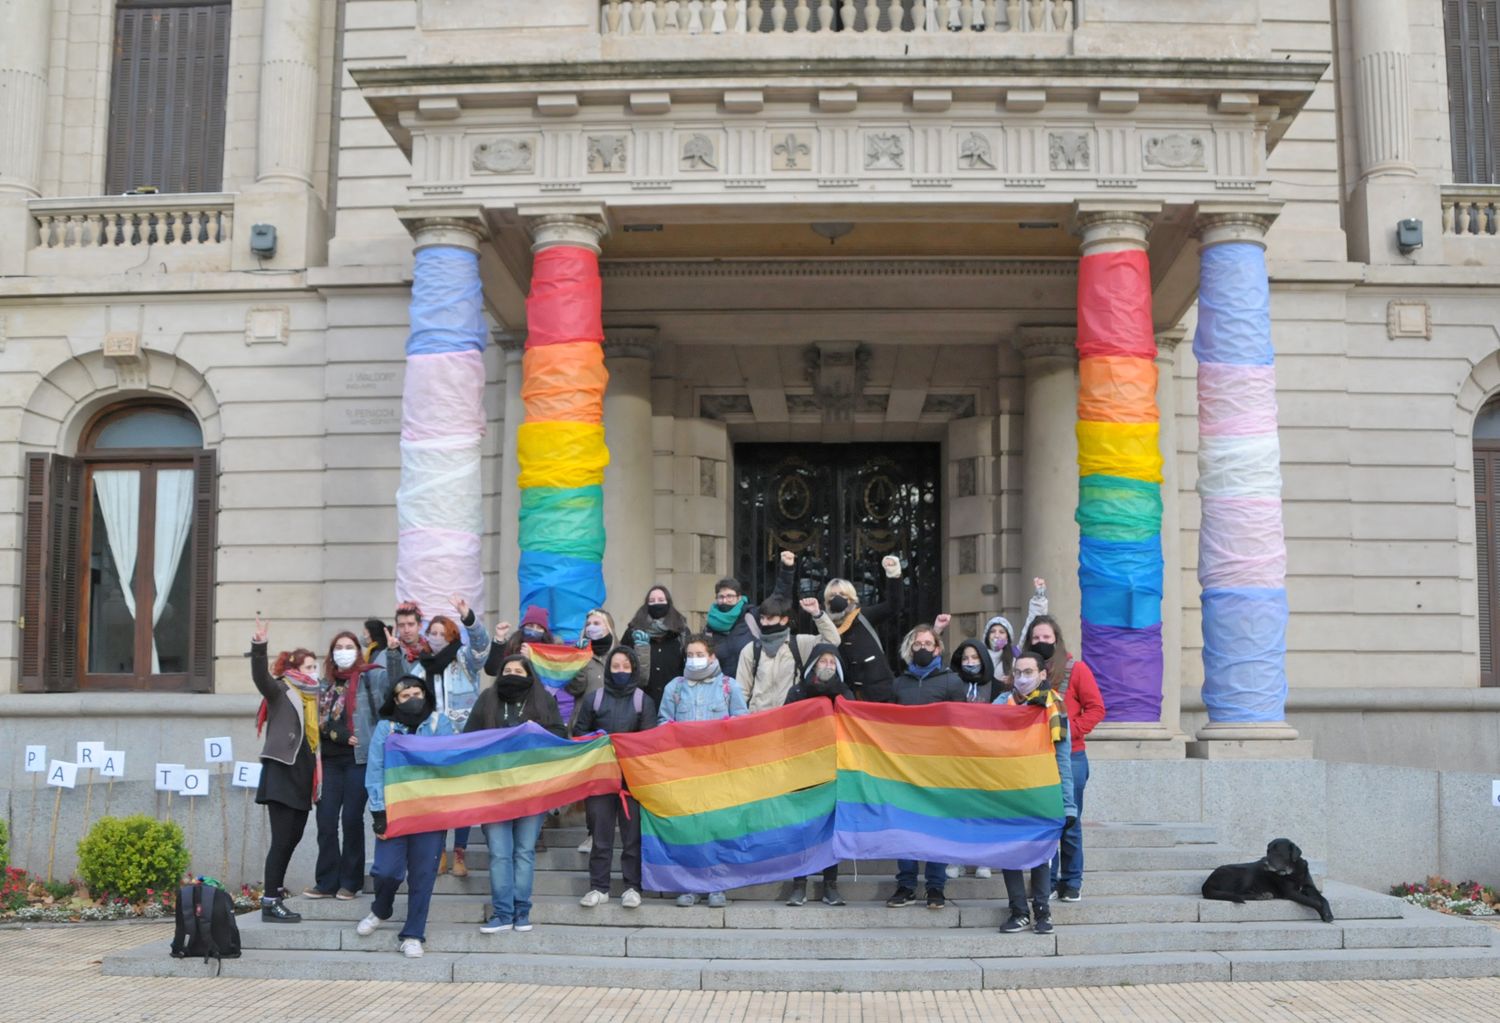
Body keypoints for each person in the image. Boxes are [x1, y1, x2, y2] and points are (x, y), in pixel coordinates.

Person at [386, 595, 489, 877]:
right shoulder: (420, 666)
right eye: (432, 633)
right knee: (439, 798)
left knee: (463, 797)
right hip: (431, 741)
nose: (437, 638)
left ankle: (460, 853)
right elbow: (400, 690)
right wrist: (394, 654)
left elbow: (481, 646)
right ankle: (439, 851)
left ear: (453, 635)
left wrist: (468, 616)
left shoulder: (464, 661)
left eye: (442, 634)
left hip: (462, 739)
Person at [357, 674, 453, 959]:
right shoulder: (385, 728)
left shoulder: (440, 723)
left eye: (417, 693)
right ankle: (381, 908)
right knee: (386, 870)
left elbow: (449, 761)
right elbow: (375, 769)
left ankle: (413, 934)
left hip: (430, 811)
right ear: (395, 701)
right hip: (395, 810)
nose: (413, 699)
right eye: (405, 696)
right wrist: (377, 811)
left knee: (423, 875)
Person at [467, 654, 564, 934]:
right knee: (499, 853)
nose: (511, 674)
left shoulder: (543, 700)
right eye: (507, 669)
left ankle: (522, 912)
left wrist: (535, 733)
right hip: (493, 790)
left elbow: (560, 734)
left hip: (531, 790)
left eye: (518, 670)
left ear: (529, 675)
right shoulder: (487, 698)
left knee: (523, 852)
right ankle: (502, 913)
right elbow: (469, 736)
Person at [1019, 613, 1105, 903]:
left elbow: (1096, 709)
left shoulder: (1076, 669)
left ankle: (1072, 880)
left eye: (1046, 637)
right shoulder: (1025, 673)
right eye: (1036, 638)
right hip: (1036, 758)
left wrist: (1068, 731)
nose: (1041, 642)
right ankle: (1049, 880)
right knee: (1045, 821)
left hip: (1073, 758)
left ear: (1056, 639)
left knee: (1070, 821)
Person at [658, 633, 748, 908]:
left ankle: (717, 885)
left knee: (716, 828)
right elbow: (663, 722)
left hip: (718, 770)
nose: (694, 660)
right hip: (685, 771)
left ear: (712, 657)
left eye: (700, 654)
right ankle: (690, 885)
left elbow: (742, 724)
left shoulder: (728, 687)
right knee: (689, 829)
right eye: (690, 655)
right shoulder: (674, 687)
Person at [885, 623, 967, 911]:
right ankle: (906, 884)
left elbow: (963, 725)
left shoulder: (951, 682)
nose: (922, 648)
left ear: (938, 648)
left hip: (938, 769)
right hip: (904, 768)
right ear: (910, 648)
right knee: (904, 827)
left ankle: (935, 886)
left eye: (927, 644)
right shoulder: (899, 684)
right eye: (917, 644)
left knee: (935, 828)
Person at [996, 650, 1078, 936]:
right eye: (1018, 673)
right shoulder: (1000, 704)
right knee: (1010, 854)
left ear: (1043, 675)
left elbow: (1062, 759)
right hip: (1006, 792)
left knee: (1041, 853)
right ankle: (1018, 911)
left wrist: (1069, 806)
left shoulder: (1055, 708)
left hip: (1041, 792)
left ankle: (1042, 911)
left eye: (1028, 672)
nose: (1022, 678)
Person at [303, 630, 388, 901]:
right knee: (326, 821)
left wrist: (395, 654)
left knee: (351, 819)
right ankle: (326, 880)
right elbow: (316, 721)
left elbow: (394, 686)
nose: (343, 651)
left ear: (357, 650)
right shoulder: (324, 684)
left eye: (348, 646)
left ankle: (350, 882)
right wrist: (337, 733)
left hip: (358, 760)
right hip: (328, 760)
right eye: (338, 646)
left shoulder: (369, 677)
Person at [571, 646, 657, 910]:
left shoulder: (644, 700)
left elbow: (650, 741)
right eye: (616, 666)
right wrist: (595, 739)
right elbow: (579, 734)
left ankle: (632, 886)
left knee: (632, 837)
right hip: (600, 779)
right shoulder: (594, 699)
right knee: (601, 835)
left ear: (634, 670)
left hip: (631, 782)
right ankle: (599, 887)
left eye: (626, 667)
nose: (620, 671)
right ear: (609, 669)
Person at [249, 618, 318, 923]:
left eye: (315, 667)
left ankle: (274, 894)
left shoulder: (316, 698)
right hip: (281, 772)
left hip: (303, 774)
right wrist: (259, 645)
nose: (313, 673)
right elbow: (259, 677)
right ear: (294, 669)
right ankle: (270, 901)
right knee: (281, 839)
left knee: (294, 837)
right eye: (308, 667)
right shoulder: (281, 690)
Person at [782, 642, 852, 907]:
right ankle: (799, 883)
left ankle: (830, 885)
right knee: (802, 826)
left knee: (830, 829)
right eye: (823, 661)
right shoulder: (797, 692)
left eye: (832, 662)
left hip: (834, 769)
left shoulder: (845, 694)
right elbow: (785, 726)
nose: (827, 666)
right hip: (803, 769)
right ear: (813, 664)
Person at [944, 635, 997, 882]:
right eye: (965, 658)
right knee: (956, 808)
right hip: (956, 756)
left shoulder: (997, 687)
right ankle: (955, 857)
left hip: (987, 758)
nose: (970, 662)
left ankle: (983, 859)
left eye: (975, 657)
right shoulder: (951, 685)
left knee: (982, 809)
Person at [736, 594, 840, 713]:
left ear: (784, 620)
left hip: (791, 720)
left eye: (769, 619)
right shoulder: (751, 649)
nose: (764, 623)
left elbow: (833, 641)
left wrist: (817, 614)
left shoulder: (799, 644)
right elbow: (741, 691)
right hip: (758, 722)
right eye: (762, 618)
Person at [823, 554, 906, 703]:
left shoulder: (864, 615)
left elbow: (894, 605)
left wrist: (893, 574)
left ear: (851, 598)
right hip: (850, 699)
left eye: (842, 594)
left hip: (881, 695)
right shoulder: (825, 627)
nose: (837, 598)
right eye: (833, 595)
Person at [707, 550, 797, 671]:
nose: (725, 600)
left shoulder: (752, 616)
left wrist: (787, 569)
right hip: (723, 686)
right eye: (721, 597)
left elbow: (779, 597)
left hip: (752, 685)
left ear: (739, 597)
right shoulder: (710, 626)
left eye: (730, 596)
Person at [625, 585, 691, 706]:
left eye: (661, 600)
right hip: (641, 699)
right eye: (652, 601)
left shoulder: (681, 631)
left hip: (675, 699)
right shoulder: (633, 631)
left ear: (668, 603)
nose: (656, 604)